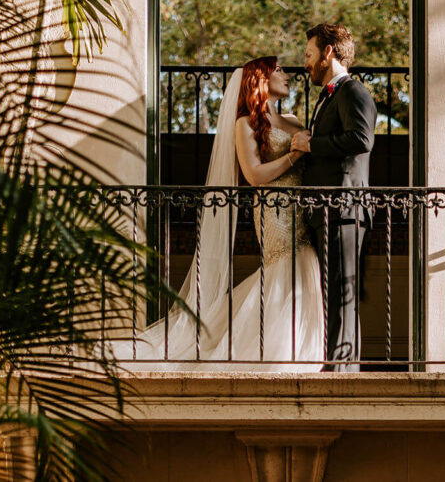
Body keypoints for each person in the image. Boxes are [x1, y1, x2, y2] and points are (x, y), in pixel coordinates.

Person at [114, 56, 324, 371]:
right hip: (274, 212)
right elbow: (254, 175)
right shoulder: (247, 124)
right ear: (261, 79)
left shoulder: (294, 121)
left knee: (306, 265)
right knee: (286, 265)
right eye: (277, 70)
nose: (286, 75)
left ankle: (301, 346)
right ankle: (278, 352)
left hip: (302, 209)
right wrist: (294, 155)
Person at [290, 24, 377, 372]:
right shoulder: (329, 95)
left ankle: (342, 375)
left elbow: (361, 139)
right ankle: (334, 367)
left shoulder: (353, 91)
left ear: (328, 53)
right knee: (332, 295)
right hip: (326, 211)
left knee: (343, 296)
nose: (306, 62)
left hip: (343, 209)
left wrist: (313, 143)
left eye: (309, 54)